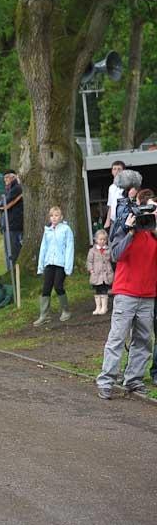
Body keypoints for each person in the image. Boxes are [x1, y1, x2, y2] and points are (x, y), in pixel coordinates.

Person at [95, 189, 157, 399]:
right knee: (117, 338)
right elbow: (115, 254)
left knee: (143, 340)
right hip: (126, 293)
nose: (152, 213)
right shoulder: (127, 229)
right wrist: (130, 231)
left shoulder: (154, 234)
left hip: (148, 295)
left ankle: (134, 380)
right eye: (149, 209)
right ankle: (106, 380)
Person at [34, 206, 74, 326]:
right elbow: (43, 248)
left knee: (58, 285)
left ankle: (66, 310)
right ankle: (44, 315)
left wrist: (68, 266)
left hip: (61, 263)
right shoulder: (48, 231)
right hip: (49, 263)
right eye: (52, 215)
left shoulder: (66, 230)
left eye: (56, 215)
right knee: (46, 288)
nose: (54, 218)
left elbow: (69, 248)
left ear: (61, 217)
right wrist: (41, 265)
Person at [0, 171, 24, 270]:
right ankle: (10, 271)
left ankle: (13, 272)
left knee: (13, 251)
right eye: (4, 178)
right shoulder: (7, 189)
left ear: (13, 177)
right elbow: (0, 205)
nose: (5, 180)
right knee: (8, 252)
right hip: (8, 224)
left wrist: (1, 206)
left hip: (13, 225)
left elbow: (3, 204)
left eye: (7, 177)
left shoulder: (16, 188)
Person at [86, 229, 113, 316]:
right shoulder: (92, 250)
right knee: (97, 290)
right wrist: (91, 270)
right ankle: (98, 306)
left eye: (104, 239)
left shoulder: (108, 250)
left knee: (104, 290)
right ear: (96, 240)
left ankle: (104, 307)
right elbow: (89, 261)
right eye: (100, 239)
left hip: (106, 274)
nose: (102, 241)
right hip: (96, 274)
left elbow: (112, 260)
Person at [104, 160, 126, 231]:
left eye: (119, 169)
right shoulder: (111, 187)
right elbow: (110, 205)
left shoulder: (128, 185)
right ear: (112, 171)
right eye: (114, 169)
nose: (116, 171)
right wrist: (107, 221)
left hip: (124, 220)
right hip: (113, 221)